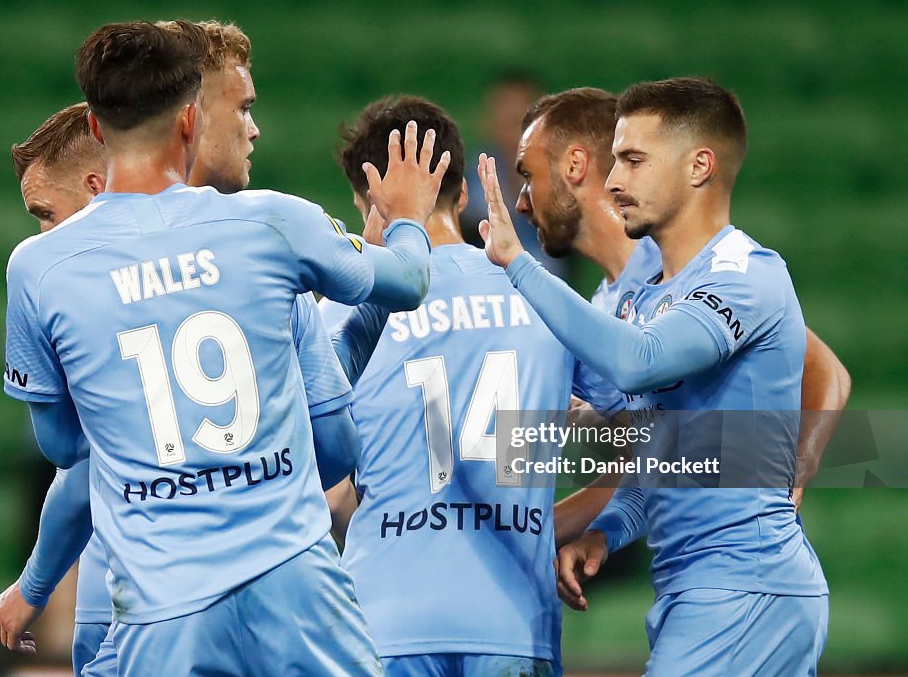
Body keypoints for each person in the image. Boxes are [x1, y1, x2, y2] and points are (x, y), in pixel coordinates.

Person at [2, 19, 447, 676]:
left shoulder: (38, 268)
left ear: (94, 129)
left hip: (157, 603)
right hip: (295, 580)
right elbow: (406, 282)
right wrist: (407, 215)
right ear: (190, 120)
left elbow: (66, 448)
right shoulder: (274, 224)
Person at [478, 77, 829, 675]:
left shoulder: (746, 274)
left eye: (634, 161)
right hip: (697, 589)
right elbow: (663, 458)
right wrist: (605, 533)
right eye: (616, 161)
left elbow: (637, 361)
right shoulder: (643, 299)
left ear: (699, 166)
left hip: (745, 586)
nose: (614, 182)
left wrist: (516, 265)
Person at [321, 95, 621, 677]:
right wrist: (562, 522)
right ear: (462, 195)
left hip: (384, 622)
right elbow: (657, 445)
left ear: (371, 206)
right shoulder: (542, 298)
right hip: (512, 623)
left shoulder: (346, 310)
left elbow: (327, 486)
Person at [510, 88, 851, 544]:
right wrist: (535, 537)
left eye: (528, 177)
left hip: (742, 556)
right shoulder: (603, 307)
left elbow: (825, 369)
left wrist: (794, 478)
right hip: (679, 558)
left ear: (574, 165)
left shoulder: (676, 262)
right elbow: (654, 463)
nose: (522, 203)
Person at [459, 71, 570, 281]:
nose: (510, 124)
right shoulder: (467, 183)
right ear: (488, 119)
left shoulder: (566, 181)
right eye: (503, 114)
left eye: (519, 116)